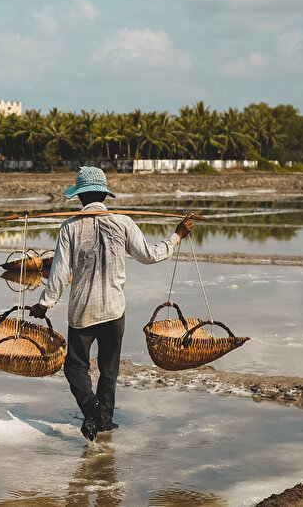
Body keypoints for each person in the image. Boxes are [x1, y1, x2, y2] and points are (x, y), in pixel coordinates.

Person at [29, 166, 193, 441]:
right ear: (104, 195)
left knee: (74, 367)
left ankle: (92, 411)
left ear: (80, 197)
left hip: (82, 311)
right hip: (114, 311)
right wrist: (176, 235)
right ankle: (103, 420)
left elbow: (58, 274)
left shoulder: (69, 227)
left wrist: (44, 305)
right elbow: (151, 255)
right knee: (109, 369)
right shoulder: (123, 222)